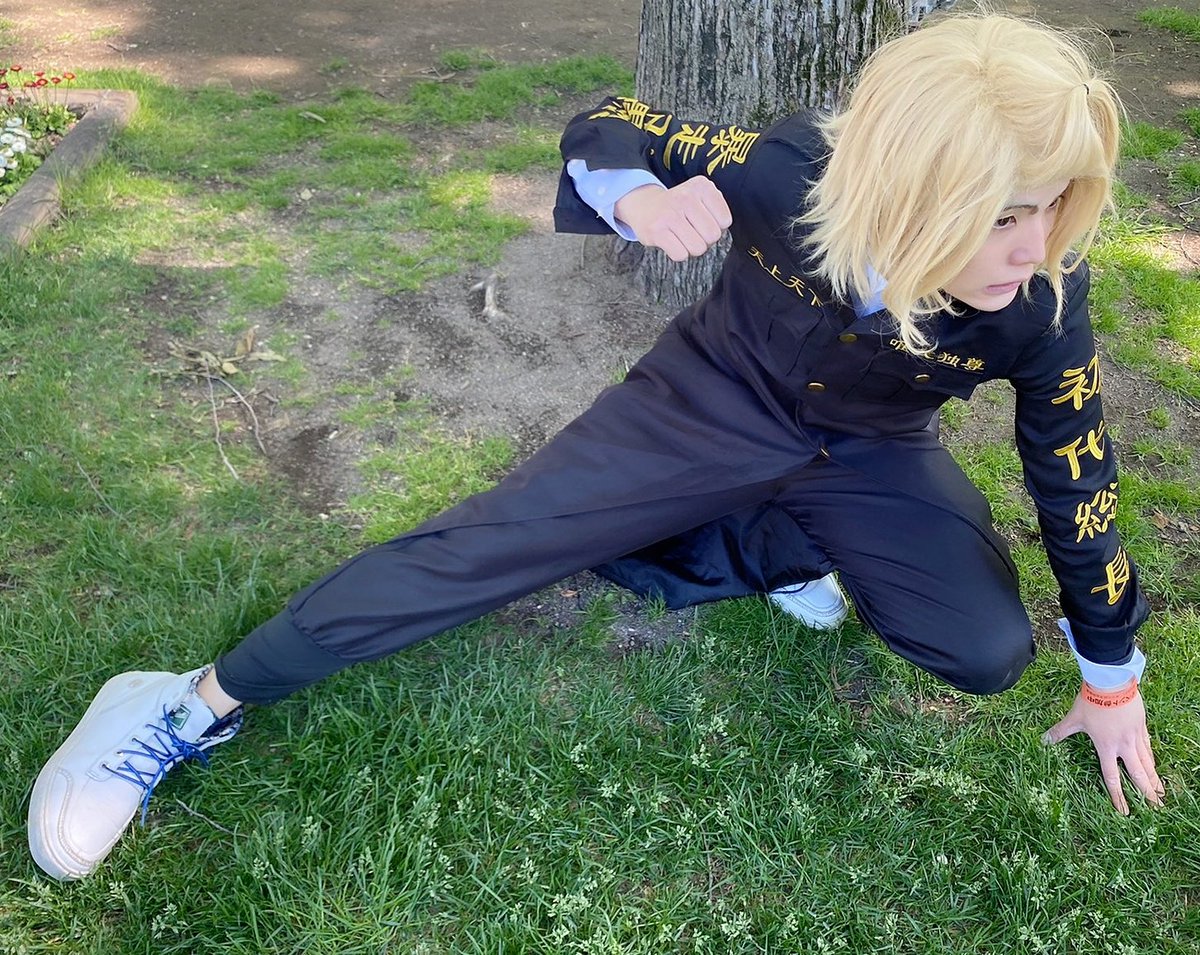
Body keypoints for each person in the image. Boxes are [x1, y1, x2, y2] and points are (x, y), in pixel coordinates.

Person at [28, 12, 1165, 882]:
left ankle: (780, 543)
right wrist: (639, 205)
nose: (1034, 246)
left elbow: (1077, 475)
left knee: (985, 648)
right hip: (706, 402)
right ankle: (181, 703)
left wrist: (1110, 675)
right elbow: (611, 124)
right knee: (491, 544)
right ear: (908, 191)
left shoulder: (1043, 300)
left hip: (867, 452)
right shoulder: (794, 170)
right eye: (1002, 214)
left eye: (1051, 205)